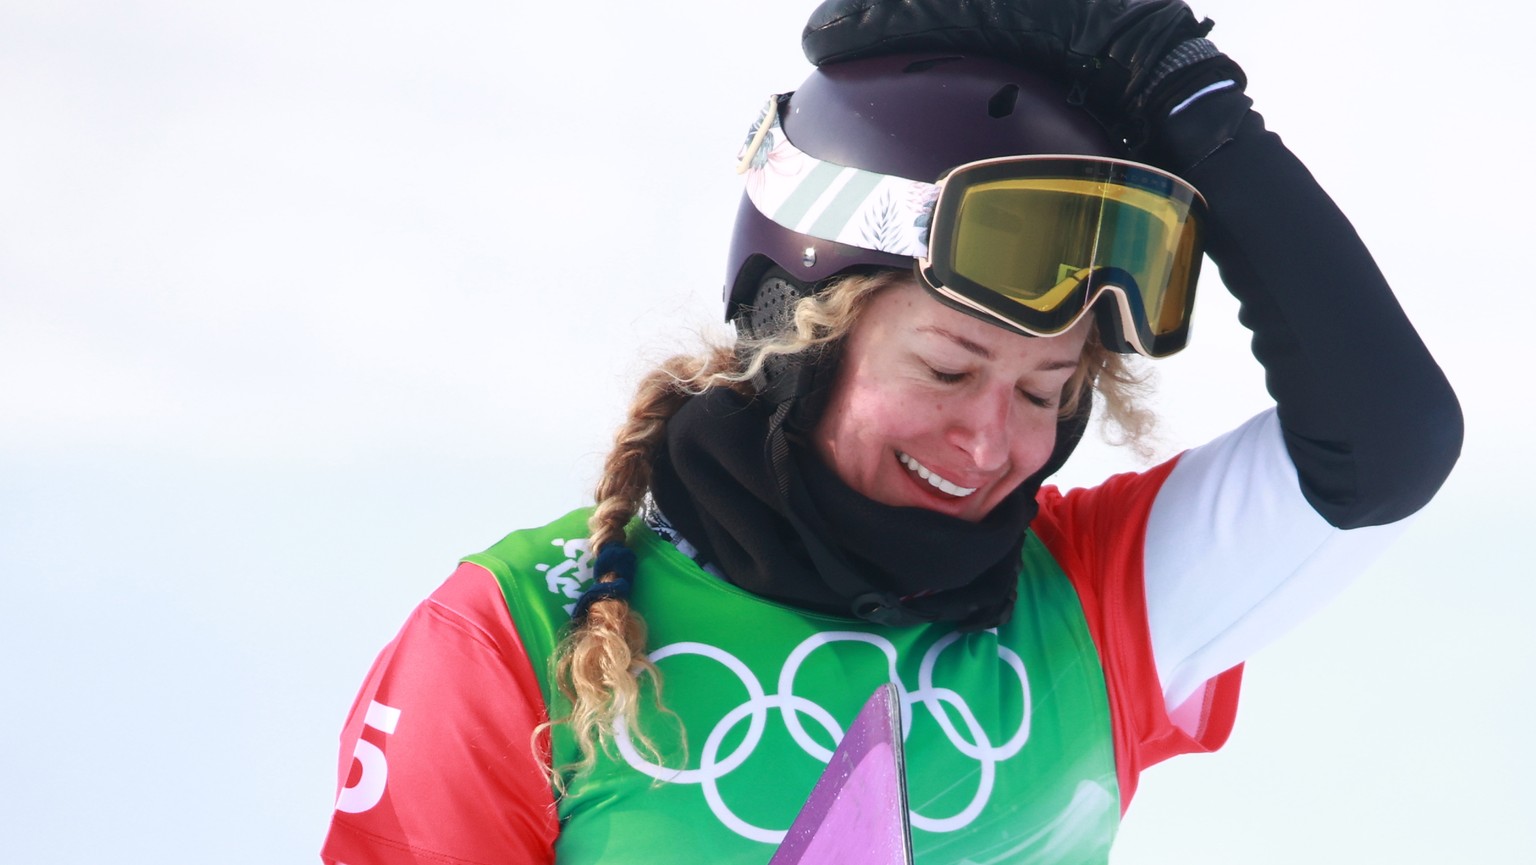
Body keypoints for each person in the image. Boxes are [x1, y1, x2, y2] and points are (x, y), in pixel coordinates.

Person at [320, 1, 1462, 862]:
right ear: (800, 330)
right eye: (948, 367)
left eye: (1043, 391)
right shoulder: (508, 637)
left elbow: (1386, 437)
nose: (985, 441)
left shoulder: (1095, 602)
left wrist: (1187, 91)